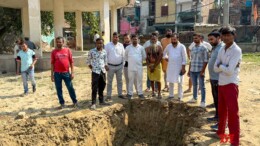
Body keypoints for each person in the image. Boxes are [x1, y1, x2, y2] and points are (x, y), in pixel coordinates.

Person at [214, 26, 242, 146]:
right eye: (223, 35)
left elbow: (230, 71)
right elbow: (215, 67)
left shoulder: (236, 50)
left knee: (232, 113)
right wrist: (222, 67)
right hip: (221, 83)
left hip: (231, 84)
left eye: (228, 35)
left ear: (233, 35)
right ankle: (220, 133)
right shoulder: (222, 49)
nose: (226, 37)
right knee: (221, 111)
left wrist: (221, 66)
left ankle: (234, 141)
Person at [51, 37, 78, 109]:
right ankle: (62, 103)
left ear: (63, 42)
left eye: (60, 42)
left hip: (66, 73)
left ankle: (75, 102)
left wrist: (72, 72)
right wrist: (52, 75)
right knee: (58, 89)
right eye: (57, 42)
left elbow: (71, 62)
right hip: (57, 74)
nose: (58, 43)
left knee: (70, 87)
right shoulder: (54, 52)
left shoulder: (67, 50)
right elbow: (52, 64)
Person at [207, 32, 224, 129]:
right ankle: (217, 116)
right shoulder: (215, 47)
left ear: (218, 38)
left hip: (218, 79)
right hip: (213, 77)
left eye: (212, 39)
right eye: (209, 40)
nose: (210, 41)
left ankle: (220, 121)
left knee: (220, 101)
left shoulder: (221, 48)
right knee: (216, 99)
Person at [87, 38, 110, 110]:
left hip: (102, 71)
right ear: (96, 44)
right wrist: (91, 67)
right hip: (95, 72)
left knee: (102, 86)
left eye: (101, 43)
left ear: (103, 43)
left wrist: (106, 66)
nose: (99, 44)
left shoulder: (104, 52)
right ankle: (93, 103)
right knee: (94, 87)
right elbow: (88, 61)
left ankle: (101, 101)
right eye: (98, 43)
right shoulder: (92, 51)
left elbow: (105, 61)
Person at [163, 33, 187, 101]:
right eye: (172, 39)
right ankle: (171, 95)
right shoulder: (169, 46)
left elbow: (184, 58)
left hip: (179, 67)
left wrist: (183, 68)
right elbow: (164, 53)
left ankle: (180, 96)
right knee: (171, 81)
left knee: (180, 82)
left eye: (175, 39)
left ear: (178, 39)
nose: (173, 41)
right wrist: (166, 57)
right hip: (170, 67)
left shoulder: (182, 46)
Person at [187, 33, 208, 108]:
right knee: (195, 85)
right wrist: (189, 70)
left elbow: (206, 61)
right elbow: (191, 60)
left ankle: (203, 101)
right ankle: (194, 98)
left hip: (200, 70)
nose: (194, 40)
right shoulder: (193, 48)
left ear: (200, 38)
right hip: (193, 70)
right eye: (194, 39)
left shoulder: (204, 48)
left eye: (196, 38)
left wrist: (202, 71)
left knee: (202, 86)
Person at [105, 32, 125, 101]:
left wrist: (123, 65)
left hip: (119, 66)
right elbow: (105, 56)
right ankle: (108, 95)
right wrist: (106, 65)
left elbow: (123, 55)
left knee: (120, 81)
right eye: (114, 37)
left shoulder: (121, 45)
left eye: (117, 37)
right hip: (110, 66)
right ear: (112, 37)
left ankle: (120, 94)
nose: (116, 38)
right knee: (109, 81)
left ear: (118, 38)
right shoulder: (107, 45)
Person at [125, 34, 146, 99]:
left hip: (139, 67)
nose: (135, 40)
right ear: (131, 40)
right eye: (133, 39)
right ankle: (130, 93)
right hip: (130, 67)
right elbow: (126, 57)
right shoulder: (128, 48)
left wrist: (138, 61)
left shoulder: (141, 48)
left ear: (138, 40)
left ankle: (140, 93)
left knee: (139, 80)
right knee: (130, 80)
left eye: (136, 39)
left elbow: (144, 57)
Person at [145, 33, 163, 99]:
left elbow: (160, 57)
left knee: (158, 80)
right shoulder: (147, 48)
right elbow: (146, 58)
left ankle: (159, 93)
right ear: (150, 40)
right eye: (152, 39)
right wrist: (149, 66)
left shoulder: (159, 48)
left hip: (157, 65)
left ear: (157, 40)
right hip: (150, 66)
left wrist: (154, 66)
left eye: (154, 39)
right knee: (151, 80)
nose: (153, 40)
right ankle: (153, 92)